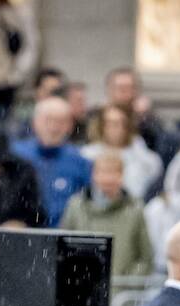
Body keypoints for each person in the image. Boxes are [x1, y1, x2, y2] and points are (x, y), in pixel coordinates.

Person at [59, 147, 155, 281]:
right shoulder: (76, 206)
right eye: (103, 172)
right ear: (94, 174)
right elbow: (63, 248)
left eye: (113, 172)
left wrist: (126, 282)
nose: (108, 179)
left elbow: (145, 257)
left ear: (122, 175)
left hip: (121, 294)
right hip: (81, 289)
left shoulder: (135, 210)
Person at [13, 95, 91, 227]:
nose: (54, 127)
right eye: (48, 120)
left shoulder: (80, 162)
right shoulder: (16, 155)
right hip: (22, 234)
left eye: (61, 121)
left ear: (70, 125)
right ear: (35, 122)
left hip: (64, 236)